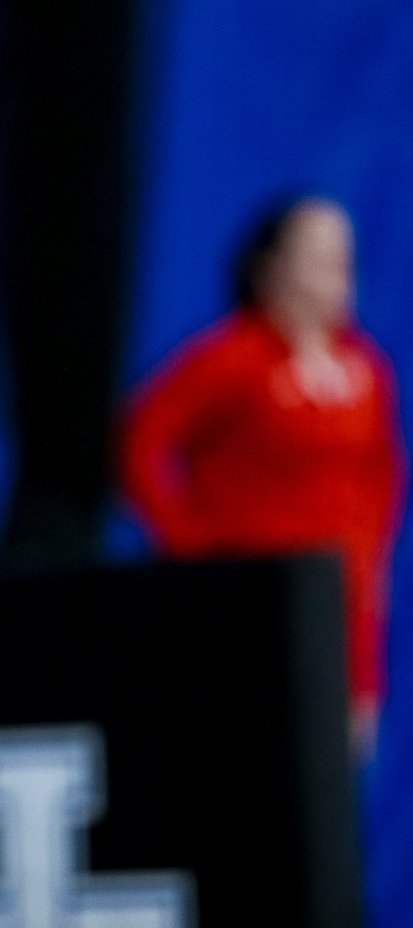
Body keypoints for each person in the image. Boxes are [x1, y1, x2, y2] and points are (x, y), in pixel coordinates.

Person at [119, 196, 406, 761]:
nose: (337, 273)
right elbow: (139, 444)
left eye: (344, 257)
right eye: (318, 256)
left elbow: (382, 474)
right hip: (253, 614)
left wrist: (376, 566)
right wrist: (192, 543)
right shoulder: (231, 358)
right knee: (258, 766)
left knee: (342, 777)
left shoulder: (366, 368)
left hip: (346, 615)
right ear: (270, 267)